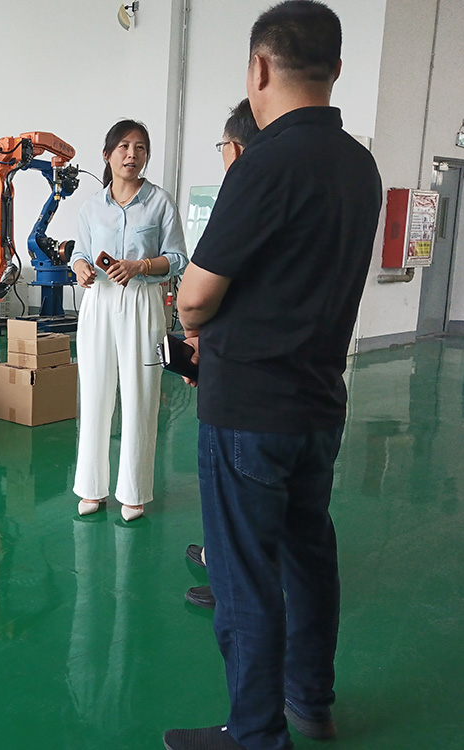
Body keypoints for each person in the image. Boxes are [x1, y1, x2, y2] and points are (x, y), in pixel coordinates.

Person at [163, 3, 382, 750]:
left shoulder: (263, 164)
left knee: (244, 575)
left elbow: (195, 294)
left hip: (249, 410)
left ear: (259, 68)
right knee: (308, 556)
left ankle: (254, 734)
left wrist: (194, 325)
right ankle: (309, 701)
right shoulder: (359, 165)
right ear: (336, 69)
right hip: (319, 404)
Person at [69, 119, 188, 522]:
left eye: (139, 148)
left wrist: (140, 266)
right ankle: (91, 488)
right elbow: (79, 252)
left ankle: (134, 492)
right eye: (123, 146)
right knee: (94, 392)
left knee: (140, 393)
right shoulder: (91, 207)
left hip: (142, 300)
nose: (131, 155)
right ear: (107, 155)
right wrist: (80, 267)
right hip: (98, 301)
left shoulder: (160, 203)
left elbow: (178, 258)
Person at [184, 98, 260, 611]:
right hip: (313, 384)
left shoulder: (248, 191)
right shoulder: (350, 170)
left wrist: (194, 333)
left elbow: (195, 296)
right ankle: (222, 556)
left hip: (241, 378)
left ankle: (230, 579)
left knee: (233, 487)